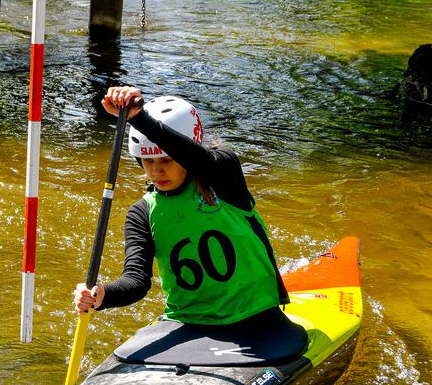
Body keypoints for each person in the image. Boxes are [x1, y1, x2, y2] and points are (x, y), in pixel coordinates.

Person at [73, 86, 290, 326]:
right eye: (148, 161)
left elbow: (200, 160)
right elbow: (137, 280)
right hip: (187, 320)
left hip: (256, 313)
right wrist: (102, 295)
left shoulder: (223, 176)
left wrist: (138, 118)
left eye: (167, 160)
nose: (156, 171)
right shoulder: (141, 213)